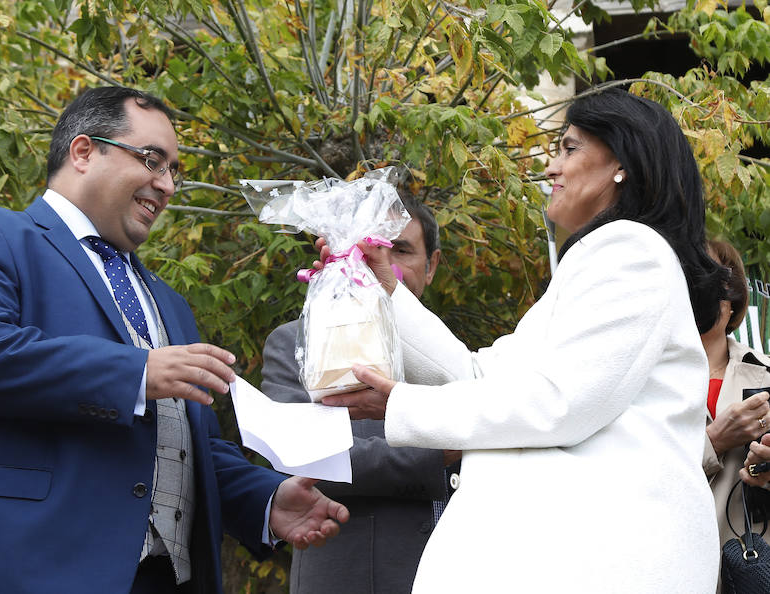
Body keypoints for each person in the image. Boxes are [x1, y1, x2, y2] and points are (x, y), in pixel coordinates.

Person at [0, 86, 348, 594]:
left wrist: (267, 499)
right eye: (152, 160)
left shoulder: (170, 304)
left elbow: (189, 446)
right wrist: (136, 373)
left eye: (173, 171)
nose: (167, 186)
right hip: (23, 568)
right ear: (83, 151)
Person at [321, 87, 728, 592]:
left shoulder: (631, 251)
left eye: (569, 148)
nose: (551, 168)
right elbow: (479, 377)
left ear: (622, 162)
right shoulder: (599, 259)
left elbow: (561, 403)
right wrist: (386, 287)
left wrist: (401, 407)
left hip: (602, 560)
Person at [262, 193, 455, 594]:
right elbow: (309, 456)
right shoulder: (300, 345)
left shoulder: (457, 356)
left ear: (432, 265)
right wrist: (447, 451)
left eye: (399, 250)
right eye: (368, 249)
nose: (384, 265)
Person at [700, 240, 770, 574]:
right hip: (666, 563)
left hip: (747, 566)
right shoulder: (641, 381)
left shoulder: (767, 373)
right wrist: (711, 443)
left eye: (708, 277)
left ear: (733, 302)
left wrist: (764, 471)